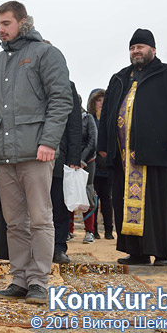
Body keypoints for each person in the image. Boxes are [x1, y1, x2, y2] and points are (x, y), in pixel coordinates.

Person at [0, 1, 72, 304]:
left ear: (22, 22)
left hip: (36, 153)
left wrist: (49, 141)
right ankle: (20, 279)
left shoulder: (46, 54)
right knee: (14, 222)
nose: (1, 30)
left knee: (40, 219)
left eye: (6, 23)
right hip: (4, 155)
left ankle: (39, 281)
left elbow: (61, 100)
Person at [97, 28, 167, 266]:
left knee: (158, 204)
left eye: (140, 47)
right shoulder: (119, 77)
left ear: (153, 49)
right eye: (132, 48)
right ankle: (136, 252)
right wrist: (103, 145)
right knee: (123, 203)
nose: (135, 51)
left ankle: (162, 253)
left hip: (157, 151)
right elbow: (107, 112)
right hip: (123, 155)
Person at [49, 81, 82, 264]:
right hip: (30, 156)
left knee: (59, 207)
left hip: (60, 158)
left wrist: (74, 158)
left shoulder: (67, 85)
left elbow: (74, 124)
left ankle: (59, 247)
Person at [68, 94, 98, 245]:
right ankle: (69, 230)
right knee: (68, 195)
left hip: (87, 161)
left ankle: (89, 231)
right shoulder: (65, 118)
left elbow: (93, 141)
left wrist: (81, 160)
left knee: (87, 194)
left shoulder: (88, 118)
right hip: (69, 162)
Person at [87, 88, 113, 239]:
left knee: (106, 199)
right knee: (92, 199)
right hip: (92, 165)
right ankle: (93, 230)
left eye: (104, 100)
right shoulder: (89, 119)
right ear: (93, 102)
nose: (101, 103)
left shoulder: (110, 118)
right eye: (98, 100)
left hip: (106, 166)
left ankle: (109, 230)